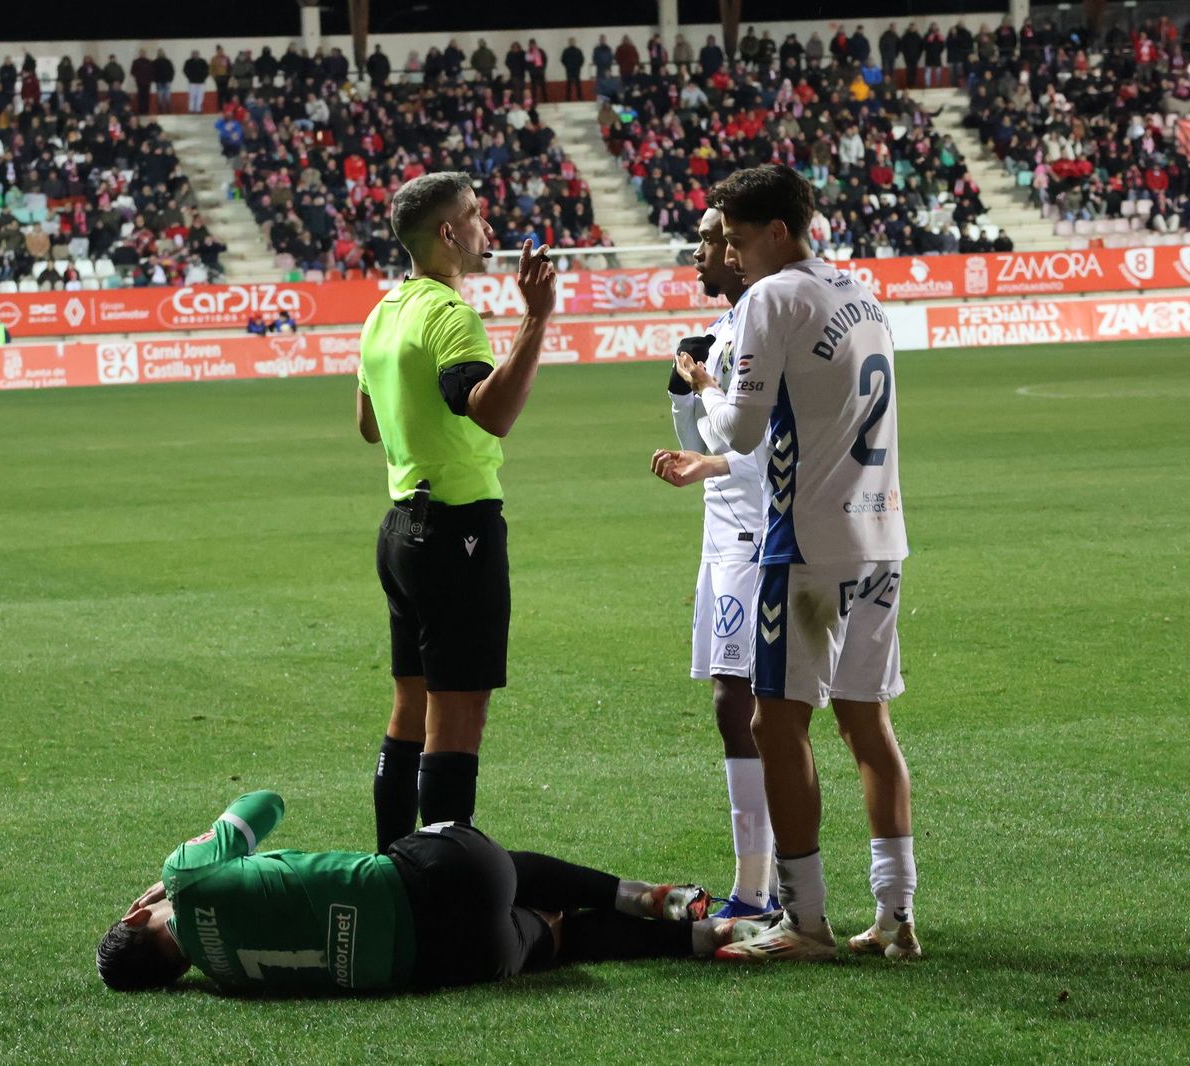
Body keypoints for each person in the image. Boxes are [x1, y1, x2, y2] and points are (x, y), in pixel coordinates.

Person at [665, 164, 918, 962]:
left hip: (806, 547)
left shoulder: (774, 298)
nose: (732, 256)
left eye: (739, 239)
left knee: (775, 723)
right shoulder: (860, 292)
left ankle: (802, 920)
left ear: (777, 231)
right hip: (881, 537)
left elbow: (738, 432)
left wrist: (704, 381)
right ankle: (895, 916)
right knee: (867, 723)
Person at [355, 172, 556, 852]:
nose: (484, 225)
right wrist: (536, 319)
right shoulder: (450, 315)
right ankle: (441, 884)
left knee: (410, 707)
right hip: (455, 530)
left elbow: (367, 424)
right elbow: (492, 411)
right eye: (473, 214)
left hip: (399, 532)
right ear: (447, 232)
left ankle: (390, 865)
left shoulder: (384, 311)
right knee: (457, 713)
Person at [95, 790, 763, 994]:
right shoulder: (184, 878)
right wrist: (178, 870)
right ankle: (632, 892)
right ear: (137, 910)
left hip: (454, 962)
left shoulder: (227, 981)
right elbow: (263, 804)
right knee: (497, 867)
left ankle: (704, 937)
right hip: (442, 874)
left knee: (559, 937)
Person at [649, 207, 777, 919]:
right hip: (724, 537)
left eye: (707, 239)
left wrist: (707, 451)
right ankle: (771, 888)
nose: (697, 252)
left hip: (755, 538)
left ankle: (759, 891)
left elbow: (757, 452)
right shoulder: (728, 330)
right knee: (744, 708)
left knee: (745, 707)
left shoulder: (759, 326)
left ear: (738, 247)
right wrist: (685, 394)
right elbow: (713, 436)